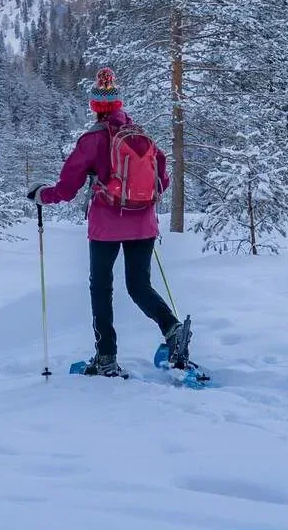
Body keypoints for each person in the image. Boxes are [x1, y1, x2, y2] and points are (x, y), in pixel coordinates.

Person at [29, 68, 192, 377]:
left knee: (101, 288)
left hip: (106, 226)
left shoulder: (91, 141)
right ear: (119, 104)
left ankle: (106, 357)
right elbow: (163, 181)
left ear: (95, 107)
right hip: (143, 224)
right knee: (139, 285)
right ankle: (172, 329)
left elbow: (65, 189)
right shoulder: (142, 137)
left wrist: (41, 195)